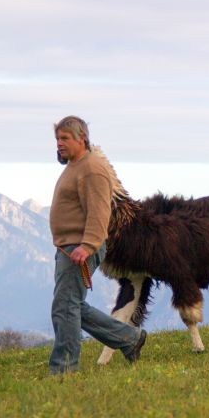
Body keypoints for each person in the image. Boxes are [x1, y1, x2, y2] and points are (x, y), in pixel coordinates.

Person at [48, 115, 147, 374]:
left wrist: (88, 245)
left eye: (65, 138)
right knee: (72, 305)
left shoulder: (91, 169)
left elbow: (100, 212)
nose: (59, 143)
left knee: (65, 307)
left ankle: (65, 369)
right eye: (57, 138)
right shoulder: (76, 166)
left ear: (82, 139)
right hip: (69, 248)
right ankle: (129, 339)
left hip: (79, 248)